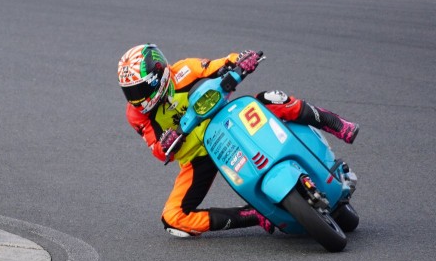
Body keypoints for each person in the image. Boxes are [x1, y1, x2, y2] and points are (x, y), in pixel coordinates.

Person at [117, 44, 359, 238]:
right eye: (130, 92)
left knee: (271, 98)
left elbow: (220, 64)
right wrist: (167, 143)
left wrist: (240, 60)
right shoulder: (135, 114)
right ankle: (255, 215)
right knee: (173, 218)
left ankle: (335, 123)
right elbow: (158, 150)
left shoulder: (185, 70)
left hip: (228, 122)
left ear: (158, 75)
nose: (136, 99)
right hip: (197, 155)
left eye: (139, 90)